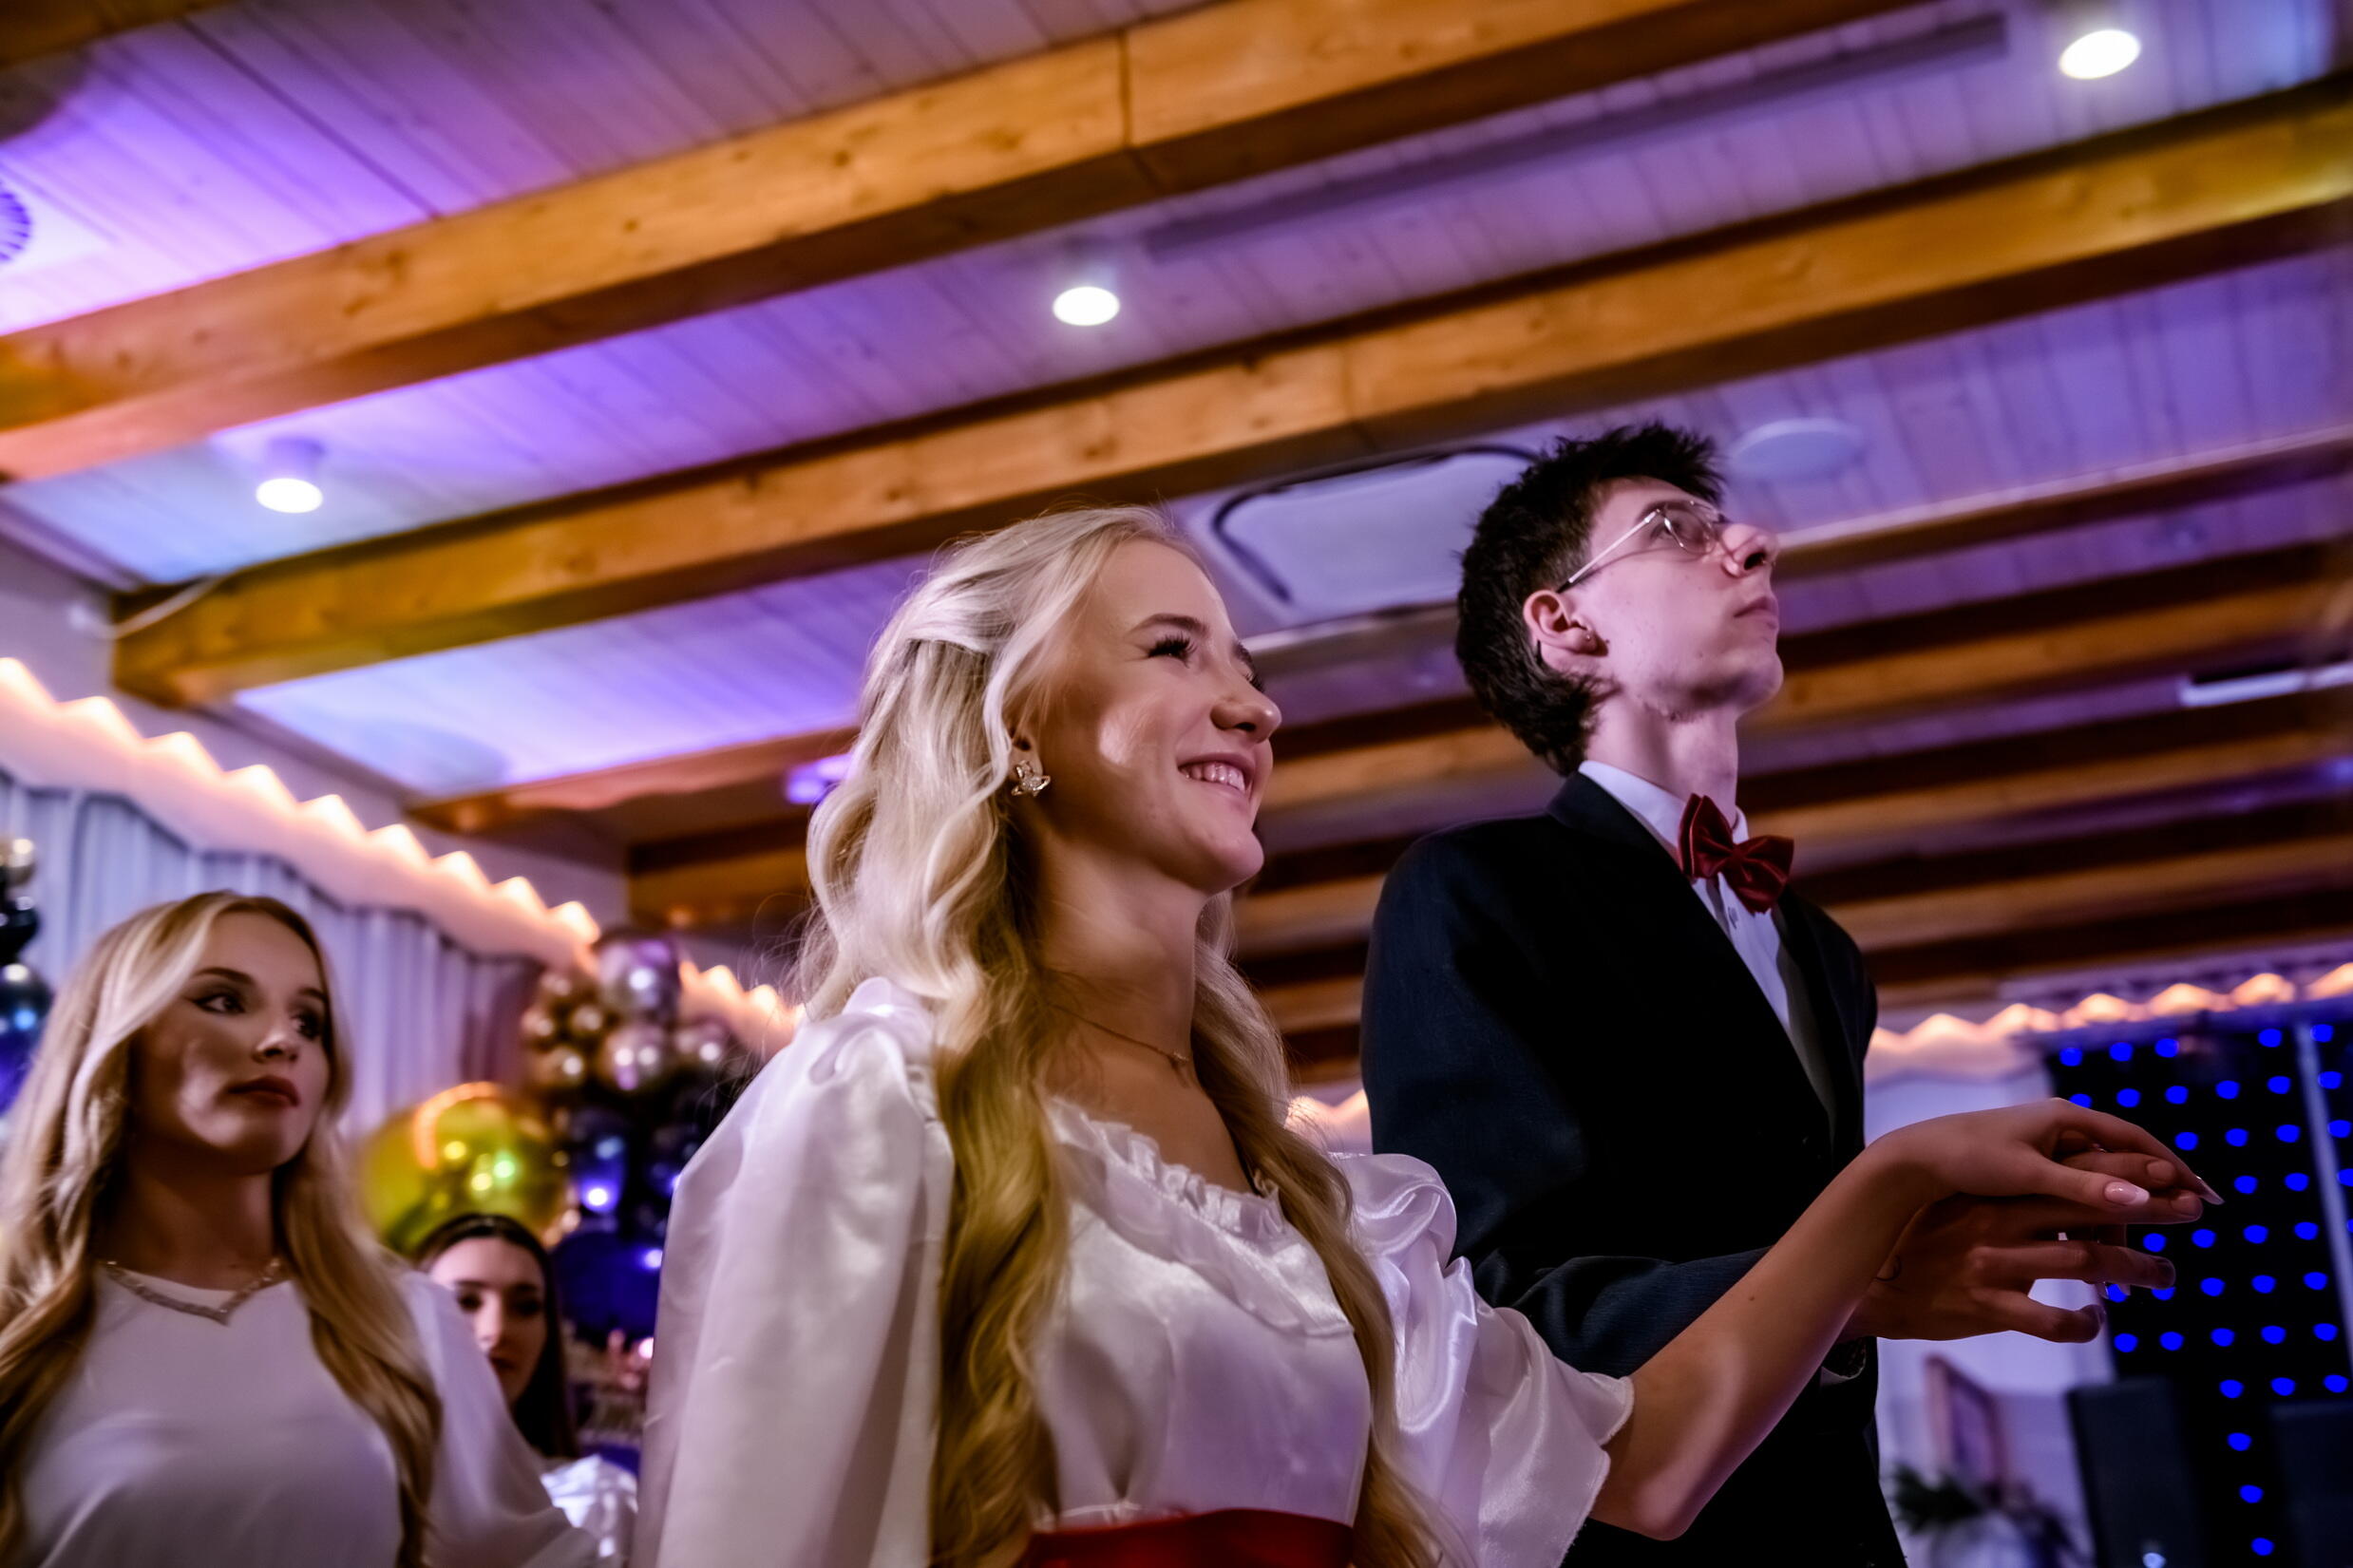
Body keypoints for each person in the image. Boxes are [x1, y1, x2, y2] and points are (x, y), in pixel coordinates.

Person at [637, 505, 2204, 1568]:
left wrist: (1894, 1184)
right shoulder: (880, 1101)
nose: (1255, 708)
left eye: (1249, 668)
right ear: (1015, 721)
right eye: (1174, 649)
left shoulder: (1317, 1205)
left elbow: (1641, 1464)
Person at [1360, 424, 2206, 1564]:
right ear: (1565, 627)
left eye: (1729, 526)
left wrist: (1933, 1243)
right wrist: (1861, 1266)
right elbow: (1496, 1304)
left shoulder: (1821, 949)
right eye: (1674, 531)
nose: (1752, 544)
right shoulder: (1475, 890)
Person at [0, 892, 590, 1568]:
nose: (282, 1041)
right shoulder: (21, 1321)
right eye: (224, 1001)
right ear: (118, 1037)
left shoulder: (400, 1323)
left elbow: (532, 1558)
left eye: (310, 1022)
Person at [418, 1215, 635, 1566]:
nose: (496, 1330)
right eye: (465, 1301)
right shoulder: (361, 1486)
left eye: (526, 1307)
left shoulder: (596, 1497)